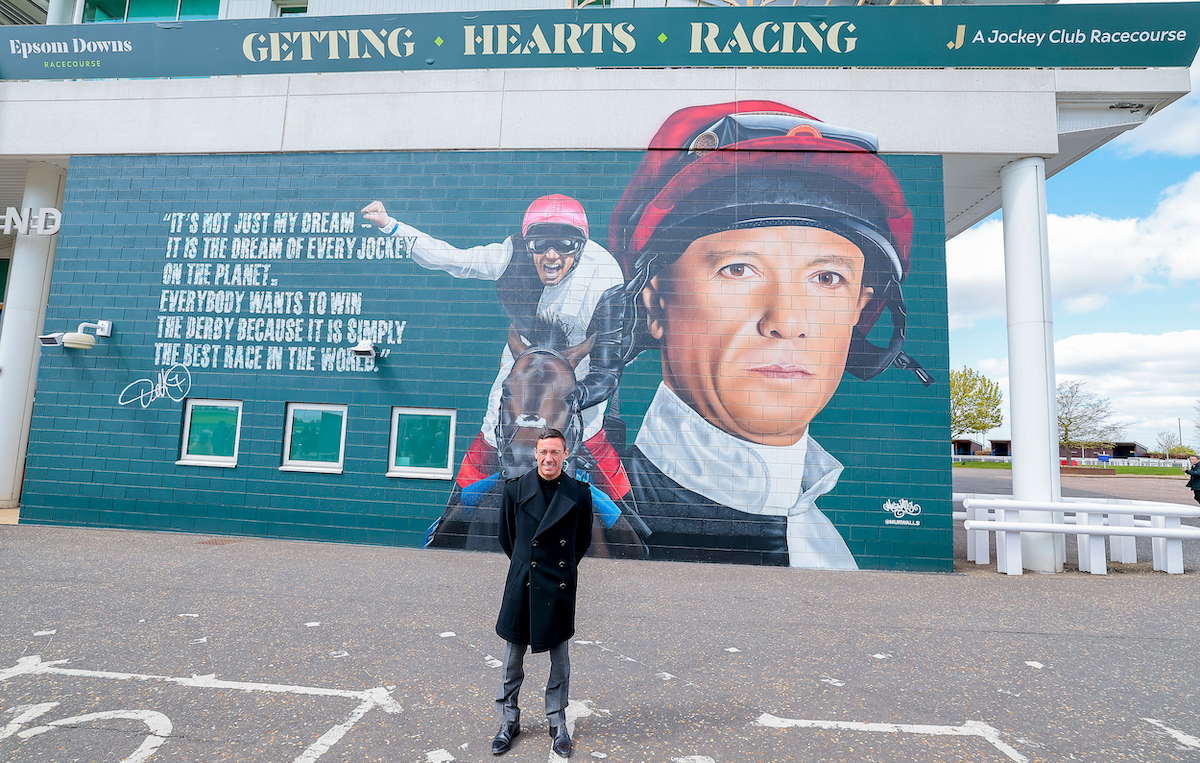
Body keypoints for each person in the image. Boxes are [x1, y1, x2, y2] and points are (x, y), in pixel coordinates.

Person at [607, 101, 934, 570]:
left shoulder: (831, 552)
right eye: (738, 269)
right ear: (656, 303)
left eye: (826, 278)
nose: (786, 320)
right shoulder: (599, 527)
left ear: (859, 314)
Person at [361, 195, 632, 502]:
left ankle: (627, 518)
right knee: (493, 427)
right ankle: (454, 512)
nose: (552, 255)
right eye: (540, 244)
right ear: (527, 243)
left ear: (581, 246)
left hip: (577, 361)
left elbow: (607, 371)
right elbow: (452, 259)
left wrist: (573, 397)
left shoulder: (605, 276)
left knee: (592, 431)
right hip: (525, 354)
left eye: (565, 245)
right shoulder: (508, 254)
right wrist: (391, 226)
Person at [491, 428, 592, 758]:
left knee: (559, 662)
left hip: (558, 583)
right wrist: (526, 566)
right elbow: (508, 538)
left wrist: (557, 569)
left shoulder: (579, 494)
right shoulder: (515, 490)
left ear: (566, 454)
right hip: (524, 583)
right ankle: (509, 720)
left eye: (555, 452)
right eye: (543, 452)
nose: (549, 458)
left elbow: (581, 542)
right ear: (535, 454)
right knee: (512, 660)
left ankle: (557, 721)